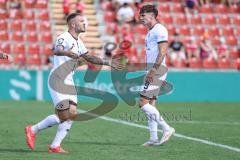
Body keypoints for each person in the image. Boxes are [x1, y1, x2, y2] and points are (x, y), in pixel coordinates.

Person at [24, 13, 124, 153]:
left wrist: (108, 63)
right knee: (64, 116)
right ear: (73, 24)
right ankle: (32, 129)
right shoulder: (63, 37)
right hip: (58, 78)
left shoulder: (79, 42)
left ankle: (55, 146)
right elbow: (57, 50)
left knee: (72, 114)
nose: (85, 23)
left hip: (68, 80)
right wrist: (66, 53)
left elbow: (89, 57)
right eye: (82, 21)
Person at [138, 5, 175, 147]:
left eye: (143, 15)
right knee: (151, 104)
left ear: (152, 15)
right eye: (140, 15)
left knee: (142, 103)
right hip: (153, 70)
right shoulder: (150, 31)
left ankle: (167, 128)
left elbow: (163, 51)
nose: (140, 18)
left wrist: (153, 70)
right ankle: (153, 138)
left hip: (157, 70)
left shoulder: (160, 30)